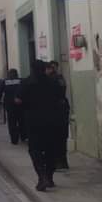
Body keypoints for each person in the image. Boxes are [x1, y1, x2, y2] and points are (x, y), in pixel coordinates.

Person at [19, 60, 65, 191]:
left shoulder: (27, 82)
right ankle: (49, 177)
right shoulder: (53, 82)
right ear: (45, 68)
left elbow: (17, 100)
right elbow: (60, 99)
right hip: (52, 121)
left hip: (33, 122)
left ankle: (42, 176)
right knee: (51, 149)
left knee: (35, 150)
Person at [49, 61, 71, 170]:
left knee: (56, 139)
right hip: (62, 110)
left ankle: (58, 162)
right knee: (62, 138)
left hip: (56, 112)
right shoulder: (61, 78)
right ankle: (63, 162)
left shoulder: (51, 80)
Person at [2, 69, 25, 144]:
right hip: (20, 104)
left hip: (9, 105)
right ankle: (23, 136)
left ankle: (14, 139)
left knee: (12, 122)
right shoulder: (21, 81)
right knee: (21, 121)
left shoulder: (5, 82)